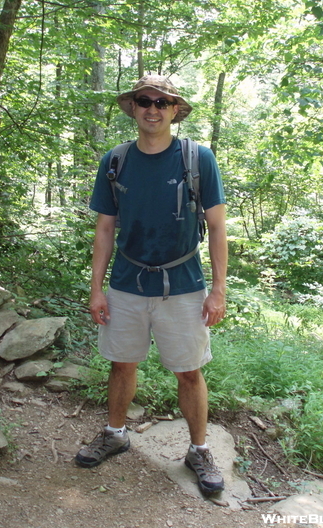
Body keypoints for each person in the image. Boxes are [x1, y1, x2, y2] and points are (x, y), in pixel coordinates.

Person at [75, 74, 228, 496]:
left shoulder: (199, 159)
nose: (153, 109)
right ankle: (115, 432)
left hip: (183, 283)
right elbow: (105, 229)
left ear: (176, 110)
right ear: (134, 108)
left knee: (189, 371)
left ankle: (199, 449)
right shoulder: (115, 161)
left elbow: (217, 228)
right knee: (122, 362)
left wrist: (218, 289)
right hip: (127, 282)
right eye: (145, 100)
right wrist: (96, 288)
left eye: (163, 102)